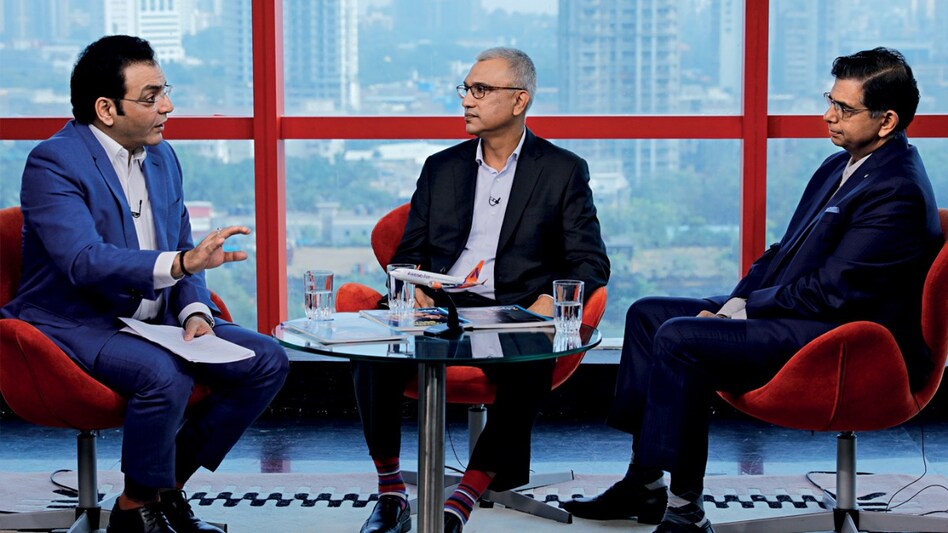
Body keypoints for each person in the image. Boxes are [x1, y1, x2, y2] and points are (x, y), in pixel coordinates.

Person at [561, 47, 942, 533]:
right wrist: (737, 301)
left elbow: (834, 293)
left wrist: (741, 313)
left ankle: (684, 510)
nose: (828, 116)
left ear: (887, 120)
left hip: (846, 339)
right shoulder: (840, 165)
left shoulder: (897, 189)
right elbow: (782, 253)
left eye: (843, 109)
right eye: (830, 100)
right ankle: (645, 483)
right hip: (805, 315)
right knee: (648, 314)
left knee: (680, 338)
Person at [0, 35, 290, 533]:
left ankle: (163, 490)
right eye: (151, 96)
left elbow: (182, 247)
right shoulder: (54, 162)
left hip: (153, 319)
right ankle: (135, 513)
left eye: (165, 91)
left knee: (265, 360)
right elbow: (83, 262)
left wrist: (195, 311)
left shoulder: (162, 157)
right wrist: (181, 266)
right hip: (76, 320)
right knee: (162, 374)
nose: (167, 106)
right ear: (106, 108)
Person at [352, 47, 610, 533]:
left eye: (481, 90)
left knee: (531, 357)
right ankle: (391, 494)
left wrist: (546, 301)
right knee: (371, 348)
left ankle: (461, 501)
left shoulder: (562, 171)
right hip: (441, 308)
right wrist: (417, 288)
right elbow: (406, 256)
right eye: (466, 89)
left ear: (519, 101)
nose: (467, 101)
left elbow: (591, 261)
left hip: (514, 309)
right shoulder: (440, 167)